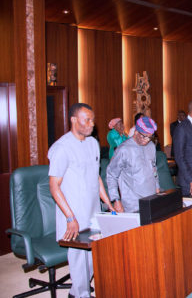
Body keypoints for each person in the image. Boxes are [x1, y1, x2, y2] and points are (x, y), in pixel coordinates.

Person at [48, 103, 115, 298]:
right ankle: (81, 295)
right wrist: (70, 218)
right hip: (74, 213)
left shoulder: (93, 143)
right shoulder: (61, 147)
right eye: (87, 119)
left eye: (93, 120)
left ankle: (76, 291)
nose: (92, 124)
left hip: (93, 211)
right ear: (74, 120)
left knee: (94, 255)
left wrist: (109, 204)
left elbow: (97, 177)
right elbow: (54, 186)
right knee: (78, 257)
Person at [106, 116, 160, 213]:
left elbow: (154, 168)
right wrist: (116, 200)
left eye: (150, 137)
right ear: (136, 132)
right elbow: (111, 175)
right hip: (133, 205)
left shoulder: (151, 146)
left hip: (152, 199)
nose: (147, 140)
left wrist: (157, 186)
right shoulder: (123, 149)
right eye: (144, 136)